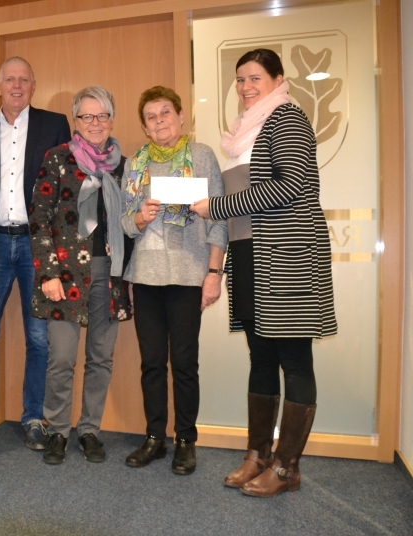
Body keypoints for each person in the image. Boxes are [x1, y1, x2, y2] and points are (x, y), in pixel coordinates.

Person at [191, 48, 336, 497]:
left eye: (255, 78)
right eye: (239, 80)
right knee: (261, 358)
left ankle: (287, 468)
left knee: (294, 360)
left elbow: (293, 185)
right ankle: (258, 454)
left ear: (277, 79)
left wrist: (217, 206)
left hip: (287, 255)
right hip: (251, 254)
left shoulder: (287, 118)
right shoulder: (243, 132)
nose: (245, 87)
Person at [0, 56, 71, 448]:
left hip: (35, 245)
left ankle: (33, 417)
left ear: (33, 85)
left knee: (39, 339)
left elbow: (64, 186)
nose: (17, 85)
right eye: (10, 79)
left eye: (24, 79)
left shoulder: (54, 124)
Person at [120, 86, 227, 475]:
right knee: (151, 363)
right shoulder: (135, 163)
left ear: (181, 116)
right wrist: (140, 218)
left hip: (188, 273)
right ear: (145, 127)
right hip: (146, 275)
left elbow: (218, 218)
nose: (159, 120)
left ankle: (186, 440)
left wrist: (214, 274)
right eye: (151, 116)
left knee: (183, 362)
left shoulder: (201, 156)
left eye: (166, 112)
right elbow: (124, 225)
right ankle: (154, 438)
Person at [29, 86, 131, 465]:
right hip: (64, 274)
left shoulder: (125, 165)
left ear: (111, 119)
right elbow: (39, 220)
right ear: (76, 121)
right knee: (61, 359)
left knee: (101, 358)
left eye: (102, 115)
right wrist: (48, 274)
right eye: (87, 116)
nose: (95, 123)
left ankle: (89, 429)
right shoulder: (57, 159)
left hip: (110, 272)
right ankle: (57, 430)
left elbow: (131, 222)